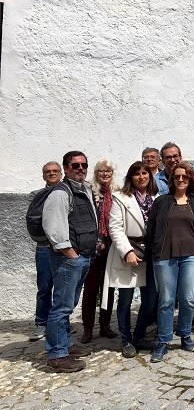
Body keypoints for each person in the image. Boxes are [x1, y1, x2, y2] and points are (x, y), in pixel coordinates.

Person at [42, 151, 97, 372]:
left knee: (68, 304)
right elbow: (53, 227)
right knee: (61, 307)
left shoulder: (84, 189)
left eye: (84, 164)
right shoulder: (60, 193)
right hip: (69, 258)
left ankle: (65, 344)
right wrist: (70, 253)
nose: (81, 168)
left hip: (83, 256)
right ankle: (57, 355)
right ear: (66, 168)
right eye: (75, 165)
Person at [147, 162, 194, 362]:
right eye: (177, 177)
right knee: (166, 300)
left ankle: (185, 335)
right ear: (171, 180)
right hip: (164, 256)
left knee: (188, 298)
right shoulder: (161, 202)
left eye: (185, 177)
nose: (181, 180)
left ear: (190, 180)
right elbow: (152, 228)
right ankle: (163, 340)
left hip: (191, 256)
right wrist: (153, 251)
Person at [105, 161, 159, 357]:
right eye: (137, 174)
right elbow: (115, 228)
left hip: (151, 254)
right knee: (126, 300)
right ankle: (126, 339)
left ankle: (139, 335)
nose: (142, 177)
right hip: (128, 252)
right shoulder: (120, 197)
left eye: (145, 173)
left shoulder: (157, 197)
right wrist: (127, 251)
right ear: (130, 177)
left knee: (150, 299)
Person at [80, 159, 118, 344]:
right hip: (93, 247)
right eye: (102, 171)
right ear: (96, 173)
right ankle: (87, 328)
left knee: (108, 289)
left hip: (111, 246)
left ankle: (105, 325)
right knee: (90, 289)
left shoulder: (116, 192)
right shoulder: (90, 191)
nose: (105, 174)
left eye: (108, 171)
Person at [28, 161, 62, 342]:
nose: (51, 173)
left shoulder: (68, 192)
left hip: (64, 247)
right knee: (44, 287)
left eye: (55, 171)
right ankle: (41, 323)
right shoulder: (36, 195)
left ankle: (59, 324)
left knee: (62, 288)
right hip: (44, 247)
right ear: (43, 175)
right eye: (48, 171)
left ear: (61, 173)